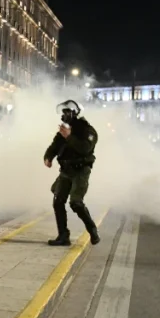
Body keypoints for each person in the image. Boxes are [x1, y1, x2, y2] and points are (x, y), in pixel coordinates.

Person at [44, 99, 100, 246]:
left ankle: (92, 230)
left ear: (75, 113)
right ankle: (63, 236)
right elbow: (54, 146)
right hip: (66, 171)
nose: (64, 116)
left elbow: (85, 148)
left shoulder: (88, 131)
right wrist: (48, 157)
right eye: (63, 113)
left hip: (80, 171)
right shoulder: (64, 131)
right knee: (58, 201)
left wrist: (69, 137)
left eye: (67, 113)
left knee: (76, 203)